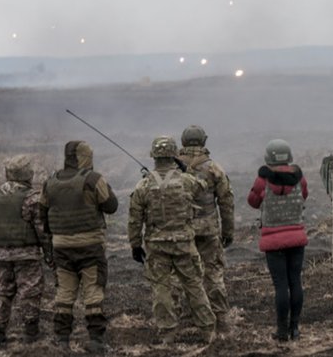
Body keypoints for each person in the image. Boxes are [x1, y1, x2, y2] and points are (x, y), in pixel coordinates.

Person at [127, 136, 216, 344]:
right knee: (194, 285)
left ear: (154, 157)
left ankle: (167, 333)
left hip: (156, 245)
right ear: (174, 156)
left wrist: (135, 245)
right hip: (184, 243)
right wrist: (185, 169)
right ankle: (207, 330)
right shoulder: (186, 181)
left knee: (161, 288)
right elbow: (202, 188)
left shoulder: (143, 185)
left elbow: (134, 219)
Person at [40, 141, 118, 352]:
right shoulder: (93, 179)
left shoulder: (50, 181)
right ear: (86, 157)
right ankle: (95, 340)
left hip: (61, 246)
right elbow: (112, 206)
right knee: (93, 292)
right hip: (90, 245)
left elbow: (43, 215)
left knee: (64, 293)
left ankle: (62, 340)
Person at [0, 155, 51, 347]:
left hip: (1, 254)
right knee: (29, 292)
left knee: (2, 293)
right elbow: (42, 230)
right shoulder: (32, 198)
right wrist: (49, 253)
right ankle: (30, 334)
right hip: (27, 254)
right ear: (27, 174)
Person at [247, 139, 308, 341]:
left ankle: (282, 331)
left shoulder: (262, 181)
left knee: (281, 286)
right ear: (289, 157)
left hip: (273, 241)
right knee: (295, 282)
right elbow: (304, 196)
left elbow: (253, 202)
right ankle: (295, 328)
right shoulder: (300, 179)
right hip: (297, 238)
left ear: (268, 158)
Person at [177, 125, 234, 329]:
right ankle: (222, 319)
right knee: (213, 273)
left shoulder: (172, 169)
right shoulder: (214, 168)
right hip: (209, 230)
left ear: (183, 142)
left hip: (181, 231)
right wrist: (228, 232)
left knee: (181, 274)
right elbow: (226, 202)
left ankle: (181, 319)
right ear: (203, 142)